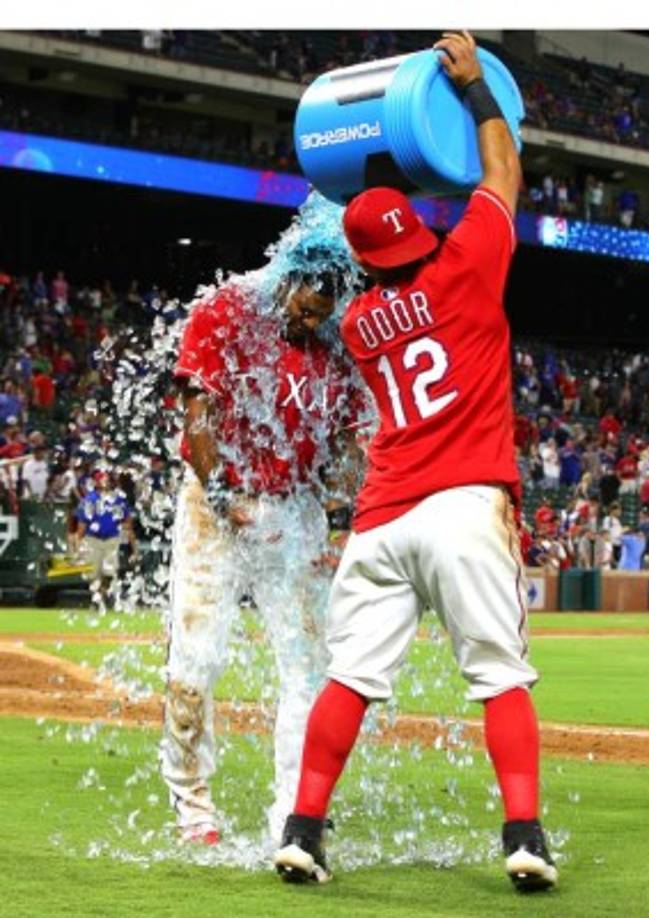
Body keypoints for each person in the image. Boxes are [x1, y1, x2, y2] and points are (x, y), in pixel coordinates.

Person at [275, 32, 557, 894]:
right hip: (463, 503)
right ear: (418, 230)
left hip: (383, 513)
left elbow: (359, 260)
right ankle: (523, 836)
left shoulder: (357, 325)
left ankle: (302, 830)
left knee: (351, 679)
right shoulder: (468, 262)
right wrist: (473, 94)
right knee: (499, 676)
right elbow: (501, 175)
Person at [160, 197, 365, 847]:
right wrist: (228, 502)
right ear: (287, 280)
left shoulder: (336, 345)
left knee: (308, 664)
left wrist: (340, 510)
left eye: (323, 312)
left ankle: (295, 810)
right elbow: (198, 419)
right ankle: (191, 797)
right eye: (304, 308)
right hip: (215, 501)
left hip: (295, 508)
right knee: (194, 658)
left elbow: (343, 448)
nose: (311, 323)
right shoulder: (224, 310)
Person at [74, 470, 137, 611]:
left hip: (112, 538)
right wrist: (78, 546)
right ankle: (97, 600)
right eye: (102, 479)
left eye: (107, 479)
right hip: (92, 539)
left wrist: (134, 547)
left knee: (110, 573)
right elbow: (82, 524)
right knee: (93, 574)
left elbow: (127, 522)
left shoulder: (118, 500)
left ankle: (101, 596)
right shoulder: (90, 499)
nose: (105, 482)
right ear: (96, 482)